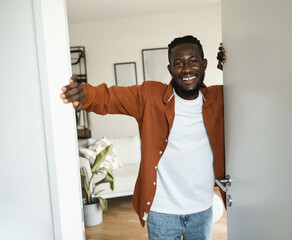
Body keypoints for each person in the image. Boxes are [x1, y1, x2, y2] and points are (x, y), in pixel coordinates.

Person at [61, 35, 226, 240]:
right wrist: (85, 95)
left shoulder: (220, 99)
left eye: (193, 61)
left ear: (204, 64)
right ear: (170, 69)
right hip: (162, 211)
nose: (186, 69)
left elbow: (255, 90)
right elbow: (110, 97)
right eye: (178, 63)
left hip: (202, 209)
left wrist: (233, 64)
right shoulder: (150, 96)